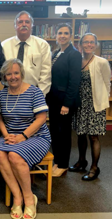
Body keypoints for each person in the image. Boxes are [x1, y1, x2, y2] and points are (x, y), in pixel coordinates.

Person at [0, 58, 51, 219]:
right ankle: (17, 197)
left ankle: (29, 199)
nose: (13, 77)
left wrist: (23, 136)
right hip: (10, 134)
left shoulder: (34, 92)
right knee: (0, 153)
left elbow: (41, 118)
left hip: (36, 136)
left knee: (14, 156)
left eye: (16, 73)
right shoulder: (2, 94)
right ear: (4, 77)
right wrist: (6, 135)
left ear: (21, 74)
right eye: (9, 74)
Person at [71, 33, 111, 181]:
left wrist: (102, 101)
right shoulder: (77, 61)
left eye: (91, 42)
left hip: (95, 105)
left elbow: (107, 83)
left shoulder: (101, 62)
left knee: (93, 137)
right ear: (80, 45)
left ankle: (94, 168)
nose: (89, 45)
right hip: (80, 105)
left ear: (95, 45)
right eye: (86, 42)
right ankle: (82, 161)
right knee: (80, 134)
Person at [46, 23, 82, 177]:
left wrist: (67, 104)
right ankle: (57, 161)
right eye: (60, 33)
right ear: (56, 35)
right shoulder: (56, 53)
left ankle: (64, 164)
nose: (62, 35)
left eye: (66, 33)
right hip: (54, 100)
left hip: (65, 102)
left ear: (71, 36)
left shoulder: (74, 54)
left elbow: (74, 81)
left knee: (64, 134)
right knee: (54, 132)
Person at [1, 11, 51, 96]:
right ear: (15, 25)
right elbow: (2, 72)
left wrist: (39, 96)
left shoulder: (42, 45)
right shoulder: (4, 45)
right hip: (9, 93)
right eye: (20, 22)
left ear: (32, 25)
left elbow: (45, 74)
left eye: (27, 22)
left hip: (34, 93)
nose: (24, 24)